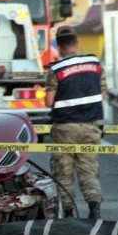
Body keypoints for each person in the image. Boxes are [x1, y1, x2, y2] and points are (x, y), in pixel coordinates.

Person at [44, 26, 107, 218]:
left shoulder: (56, 69)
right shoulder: (95, 64)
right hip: (90, 126)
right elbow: (103, 93)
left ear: (60, 48)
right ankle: (94, 209)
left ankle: (69, 212)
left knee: (63, 171)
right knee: (88, 169)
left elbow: (48, 101)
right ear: (77, 43)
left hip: (64, 128)